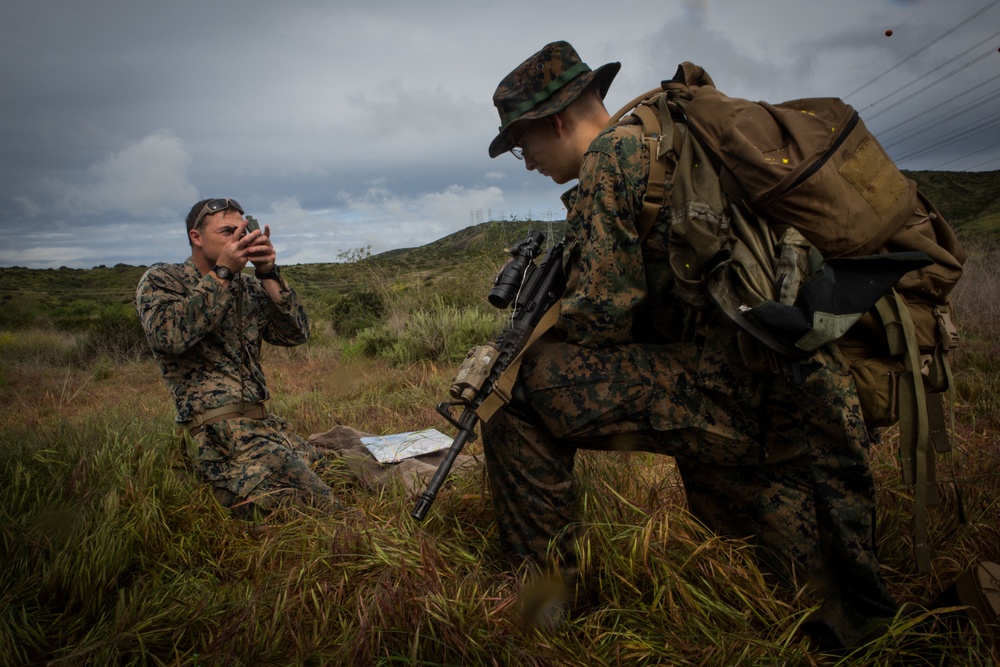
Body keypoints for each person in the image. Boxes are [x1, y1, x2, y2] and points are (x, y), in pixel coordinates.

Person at [481, 41, 904, 649]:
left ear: (555, 120)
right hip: (797, 393)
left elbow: (603, 319)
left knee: (513, 389)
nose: (527, 163)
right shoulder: (672, 132)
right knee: (813, 607)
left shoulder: (611, 159)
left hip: (729, 397)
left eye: (524, 146)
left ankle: (549, 610)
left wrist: (547, 321)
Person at [136, 197, 340, 516]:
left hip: (263, 424)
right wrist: (223, 272)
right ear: (196, 237)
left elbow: (295, 334)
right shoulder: (164, 279)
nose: (239, 239)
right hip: (217, 433)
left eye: (244, 231)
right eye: (228, 231)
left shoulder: (248, 286)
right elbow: (170, 337)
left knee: (343, 470)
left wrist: (268, 272)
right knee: (322, 507)